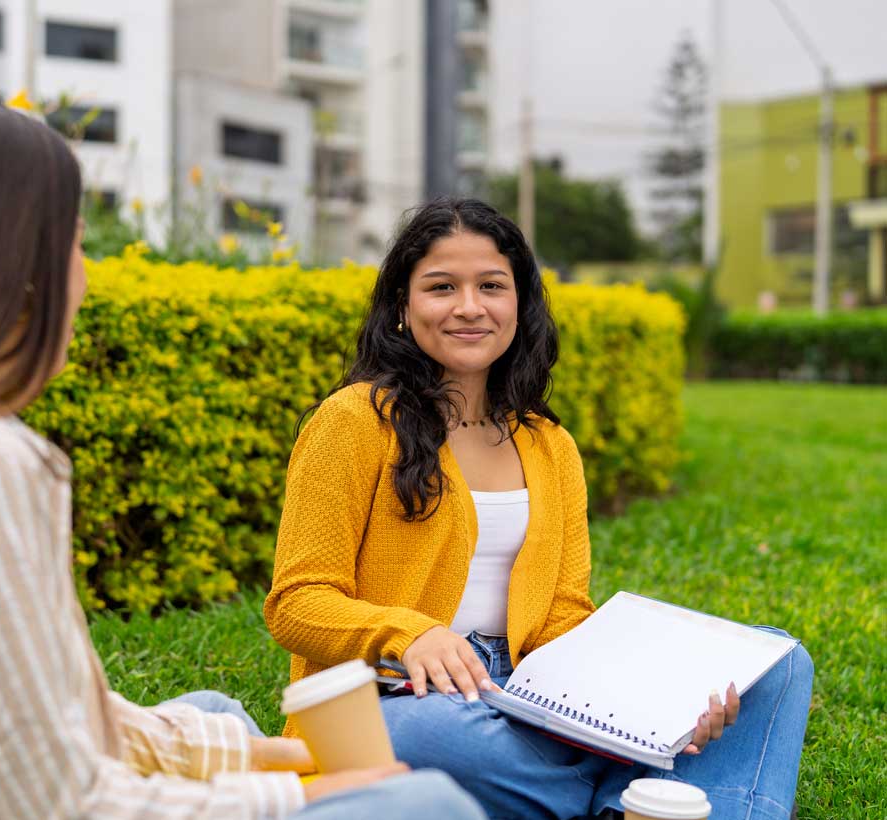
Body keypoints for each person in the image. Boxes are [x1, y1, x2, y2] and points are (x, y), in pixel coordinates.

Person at [0, 93, 486, 820]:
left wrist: (271, 757)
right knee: (424, 803)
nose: (85, 275)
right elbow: (66, 801)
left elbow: (59, 708)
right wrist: (303, 794)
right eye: (73, 242)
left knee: (216, 716)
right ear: (18, 270)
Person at [263, 197, 813, 820]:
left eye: (491, 286)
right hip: (403, 695)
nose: (469, 307)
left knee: (778, 663)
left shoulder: (550, 446)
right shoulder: (355, 422)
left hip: (533, 691)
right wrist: (409, 633)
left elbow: (561, 614)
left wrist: (655, 697)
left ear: (519, 305)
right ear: (401, 307)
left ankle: (631, 773)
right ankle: (636, 796)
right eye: (442, 287)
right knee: (433, 736)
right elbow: (297, 601)